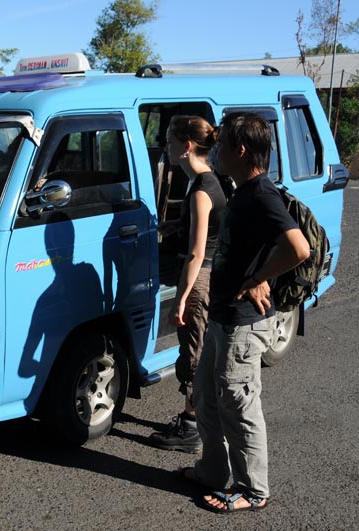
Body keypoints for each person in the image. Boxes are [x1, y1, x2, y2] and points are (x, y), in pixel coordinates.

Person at [184, 113, 310, 513]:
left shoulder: (261, 194)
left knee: (239, 405)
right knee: (206, 397)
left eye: (221, 147)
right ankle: (212, 471)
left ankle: (253, 490)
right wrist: (257, 272)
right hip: (224, 314)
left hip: (244, 321)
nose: (216, 152)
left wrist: (260, 275)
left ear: (239, 151)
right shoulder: (240, 190)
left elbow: (299, 247)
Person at [149, 116, 226, 453]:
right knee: (195, 346)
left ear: (187, 146)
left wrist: (180, 298)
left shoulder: (201, 190)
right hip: (205, 271)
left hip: (200, 276)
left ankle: (192, 427)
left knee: (193, 350)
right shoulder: (206, 182)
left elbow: (196, 253)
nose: (166, 145)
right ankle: (194, 418)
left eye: (169, 140)